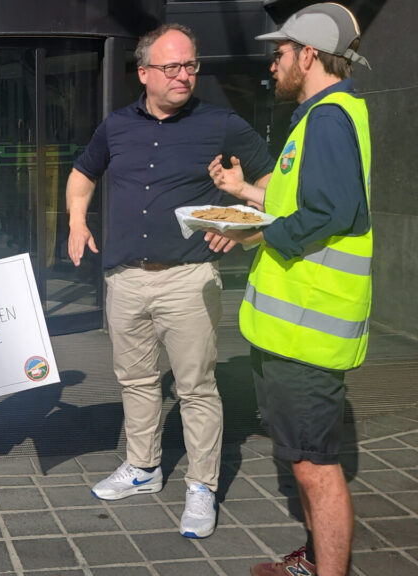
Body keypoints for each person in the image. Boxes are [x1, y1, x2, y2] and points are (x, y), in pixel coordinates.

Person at [65, 23, 273, 539]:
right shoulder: (116, 126)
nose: (184, 75)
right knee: (135, 380)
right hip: (125, 279)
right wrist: (76, 221)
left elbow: (273, 181)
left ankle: (202, 486)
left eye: (190, 65)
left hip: (188, 279)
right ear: (144, 73)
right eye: (172, 66)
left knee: (196, 387)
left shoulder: (221, 123)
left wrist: (242, 227)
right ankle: (143, 467)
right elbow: (82, 174)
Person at [207, 4, 372, 575]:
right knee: (305, 459)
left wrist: (254, 232)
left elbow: (332, 212)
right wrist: (244, 194)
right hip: (295, 327)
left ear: (308, 55)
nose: (272, 65)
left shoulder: (326, 119)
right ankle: (314, 561)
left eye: (279, 54)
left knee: (314, 466)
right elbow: (302, 203)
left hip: (308, 329)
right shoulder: (324, 115)